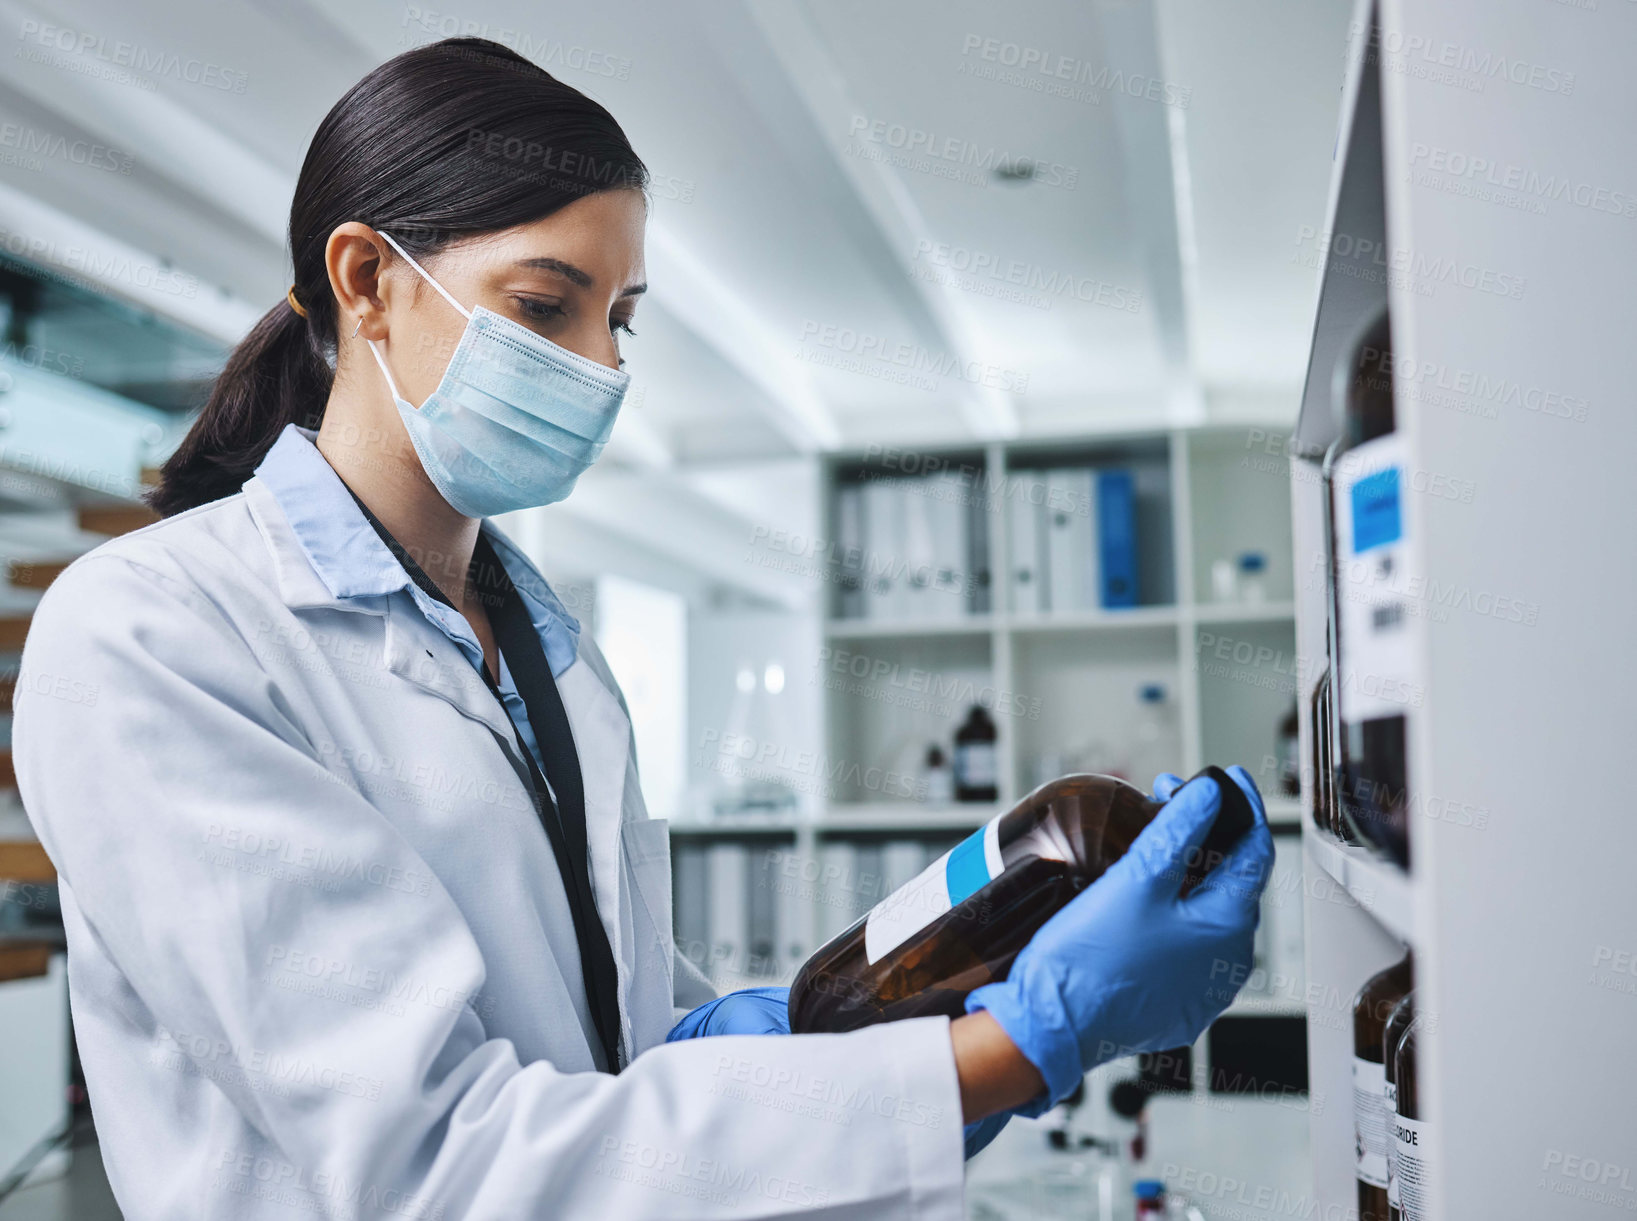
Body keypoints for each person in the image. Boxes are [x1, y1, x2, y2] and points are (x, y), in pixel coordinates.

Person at [13, 39, 1274, 1220]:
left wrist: (899, 1003)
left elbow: (632, 1059)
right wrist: (1013, 1052)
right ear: (366, 280)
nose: (603, 369)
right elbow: (442, 1162)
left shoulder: (553, 660)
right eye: (547, 304)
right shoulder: (154, 635)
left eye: (620, 320)